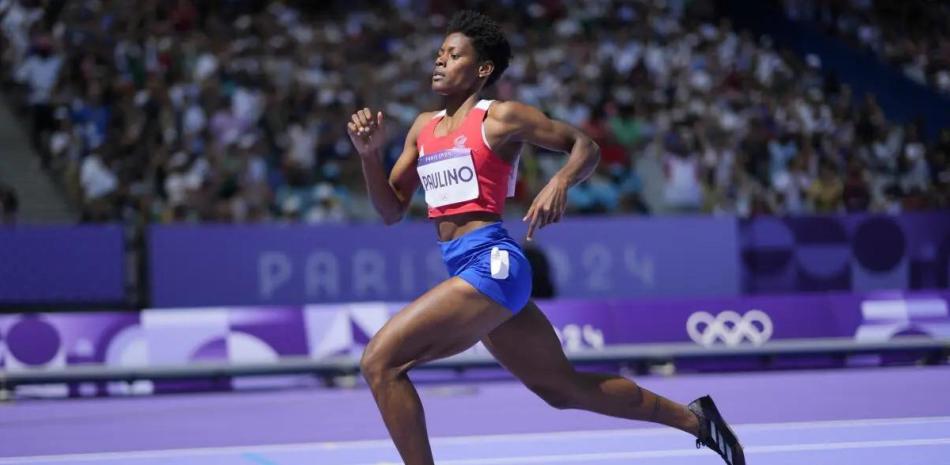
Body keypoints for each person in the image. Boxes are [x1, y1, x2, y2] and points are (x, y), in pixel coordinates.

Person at [346, 11, 744, 465]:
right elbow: (391, 210)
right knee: (562, 389)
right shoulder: (423, 128)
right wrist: (369, 156)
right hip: (466, 268)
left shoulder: (500, 117)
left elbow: (585, 146)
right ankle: (697, 420)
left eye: (453, 55)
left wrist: (560, 182)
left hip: (493, 265)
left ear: (482, 69)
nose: (439, 61)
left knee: (380, 361)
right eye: (439, 54)